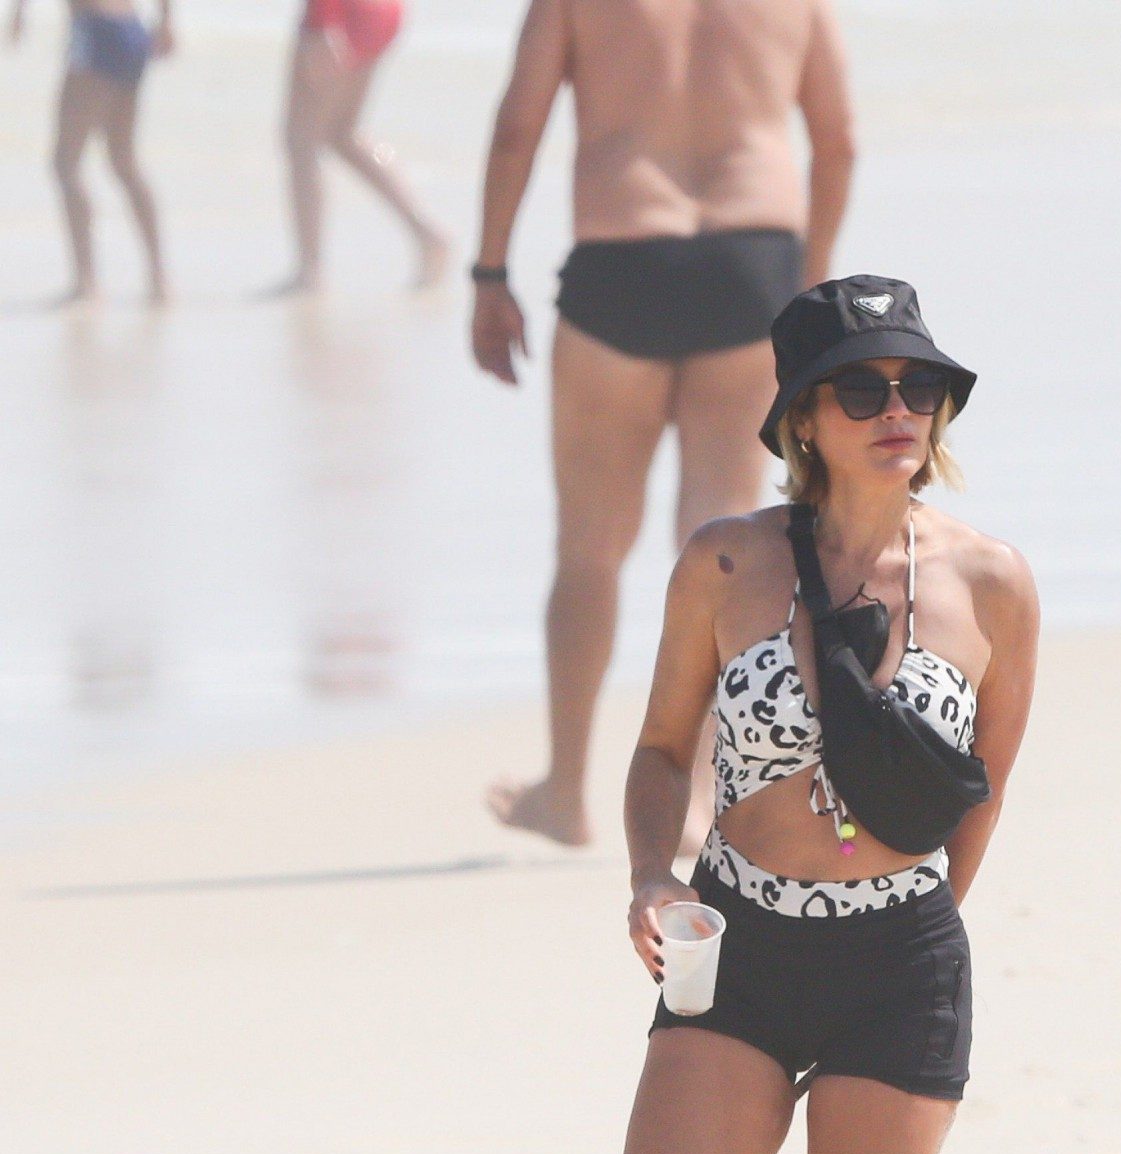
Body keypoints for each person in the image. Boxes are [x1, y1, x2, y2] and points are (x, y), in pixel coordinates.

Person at [610, 277, 1039, 1154]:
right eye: (862, 390)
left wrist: (895, 938)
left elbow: (974, 799)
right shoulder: (723, 564)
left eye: (918, 388)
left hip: (896, 966)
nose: (897, 411)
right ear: (800, 416)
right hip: (733, 946)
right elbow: (662, 750)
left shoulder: (989, 584)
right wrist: (650, 876)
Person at [472, 0, 855, 849]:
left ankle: (566, 791)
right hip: (751, 271)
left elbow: (515, 128)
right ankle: (695, 801)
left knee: (588, 548)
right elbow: (837, 142)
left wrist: (489, 271)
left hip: (621, 266)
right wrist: (810, 287)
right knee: (719, 547)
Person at [8, 0, 174, 304]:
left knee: (66, 163)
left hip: (96, 29)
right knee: (124, 162)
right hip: (132, 29)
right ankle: (159, 279)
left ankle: (87, 283)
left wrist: (19, 12)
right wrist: (166, 20)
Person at [279, 0, 449, 295]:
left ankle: (309, 273)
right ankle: (426, 232)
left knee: (302, 143)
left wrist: (324, 21)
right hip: (382, 11)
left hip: (338, 12)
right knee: (341, 133)